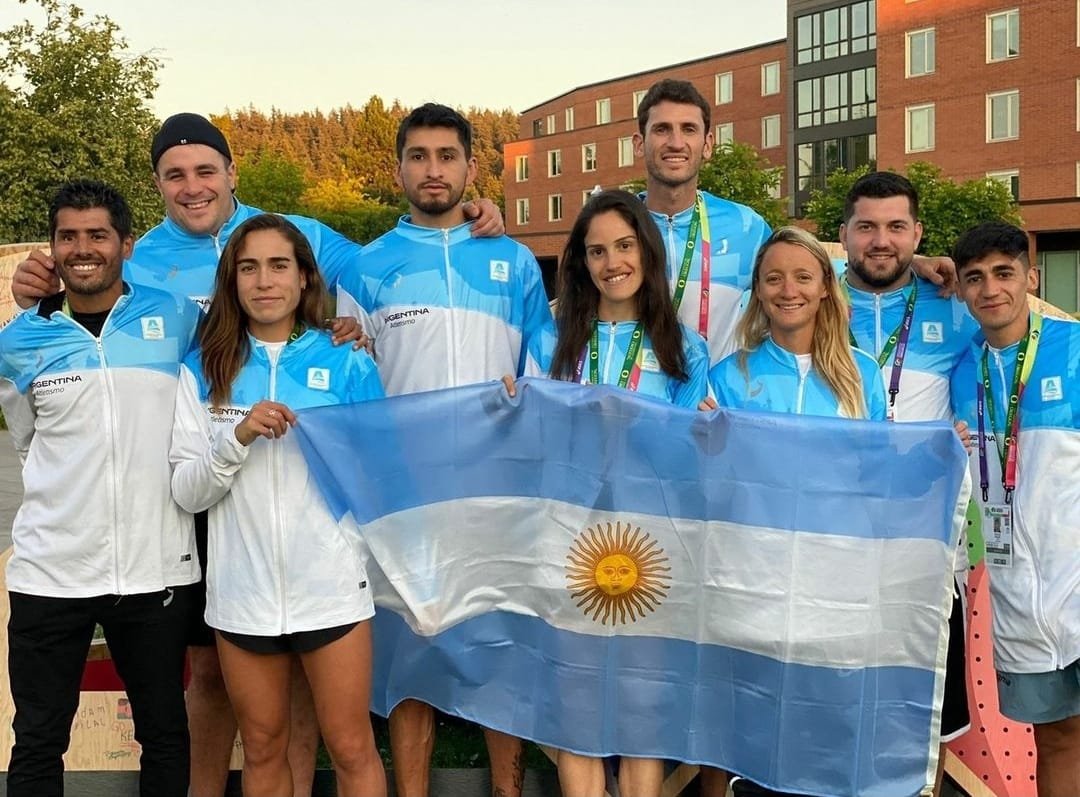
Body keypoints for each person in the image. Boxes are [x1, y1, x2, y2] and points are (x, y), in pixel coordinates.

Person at [9, 111, 504, 797]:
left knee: (319, 714)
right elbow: (40, 400)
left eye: (204, 170)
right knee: (210, 683)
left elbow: (391, 262)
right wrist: (37, 288)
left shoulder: (303, 241)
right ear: (156, 186)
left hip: (314, 559)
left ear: (232, 171)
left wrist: (470, 221)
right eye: (174, 175)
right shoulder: (137, 258)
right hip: (199, 519)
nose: (192, 186)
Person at [335, 103, 555, 797]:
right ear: (398, 167)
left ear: (470, 166)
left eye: (447, 156)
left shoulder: (514, 260)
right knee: (412, 656)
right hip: (406, 495)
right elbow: (353, 384)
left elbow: (542, 365)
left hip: (496, 489)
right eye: (419, 156)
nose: (434, 170)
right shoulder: (368, 266)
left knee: (500, 649)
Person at [170, 213, 387, 797]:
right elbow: (187, 490)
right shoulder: (202, 368)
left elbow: (379, 476)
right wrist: (236, 438)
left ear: (303, 277)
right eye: (248, 268)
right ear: (232, 281)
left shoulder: (347, 359)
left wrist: (351, 553)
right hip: (242, 597)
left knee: (351, 747)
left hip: (331, 590)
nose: (264, 281)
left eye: (278, 265)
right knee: (263, 748)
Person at [0, 180, 202, 797]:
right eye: (68, 236)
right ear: (52, 247)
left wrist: (336, 329)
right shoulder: (18, 341)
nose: (82, 249)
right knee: (38, 739)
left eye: (97, 235)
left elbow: (246, 352)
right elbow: (27, 440)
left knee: (164, 732)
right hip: (51, 572)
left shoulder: (179, 319)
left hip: (155, 569)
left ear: (126, 245)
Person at [545, 189, 707, 795]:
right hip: (570, 544)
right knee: (577, 711)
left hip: (651, 549)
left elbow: (691, 460)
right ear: (581, 263)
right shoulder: (552, 340)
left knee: (642, 713)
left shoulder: (685, 348)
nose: (612, 262)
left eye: (624, 245)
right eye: (596, 251)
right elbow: (534, 442)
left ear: (648, 251)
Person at [839, 171, 977, 796]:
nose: (881, 240)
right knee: (838, 704)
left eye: (896, 227)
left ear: (917, 234)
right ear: (843, 234)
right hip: (835, 544)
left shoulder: (955, 309)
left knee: (926, 713)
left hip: (926, 549)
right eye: (866, 226)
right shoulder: (812, 299)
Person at [950, 221, 1079, 797]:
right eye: (974, 277)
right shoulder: (960, 371)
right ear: (960, 288)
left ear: (1032, 277)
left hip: (1075, 581)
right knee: (1056, 741)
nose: (990, 289)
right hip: (1019, 598)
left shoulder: (1074, 349)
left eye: (1004, 273)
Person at [706, 226, 885, 420]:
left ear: (825, 286)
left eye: (803, 278)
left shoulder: (864, 372)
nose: (789, 292)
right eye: (774, 279)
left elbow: (878, 440)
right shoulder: (726, 377)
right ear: (758, 288)